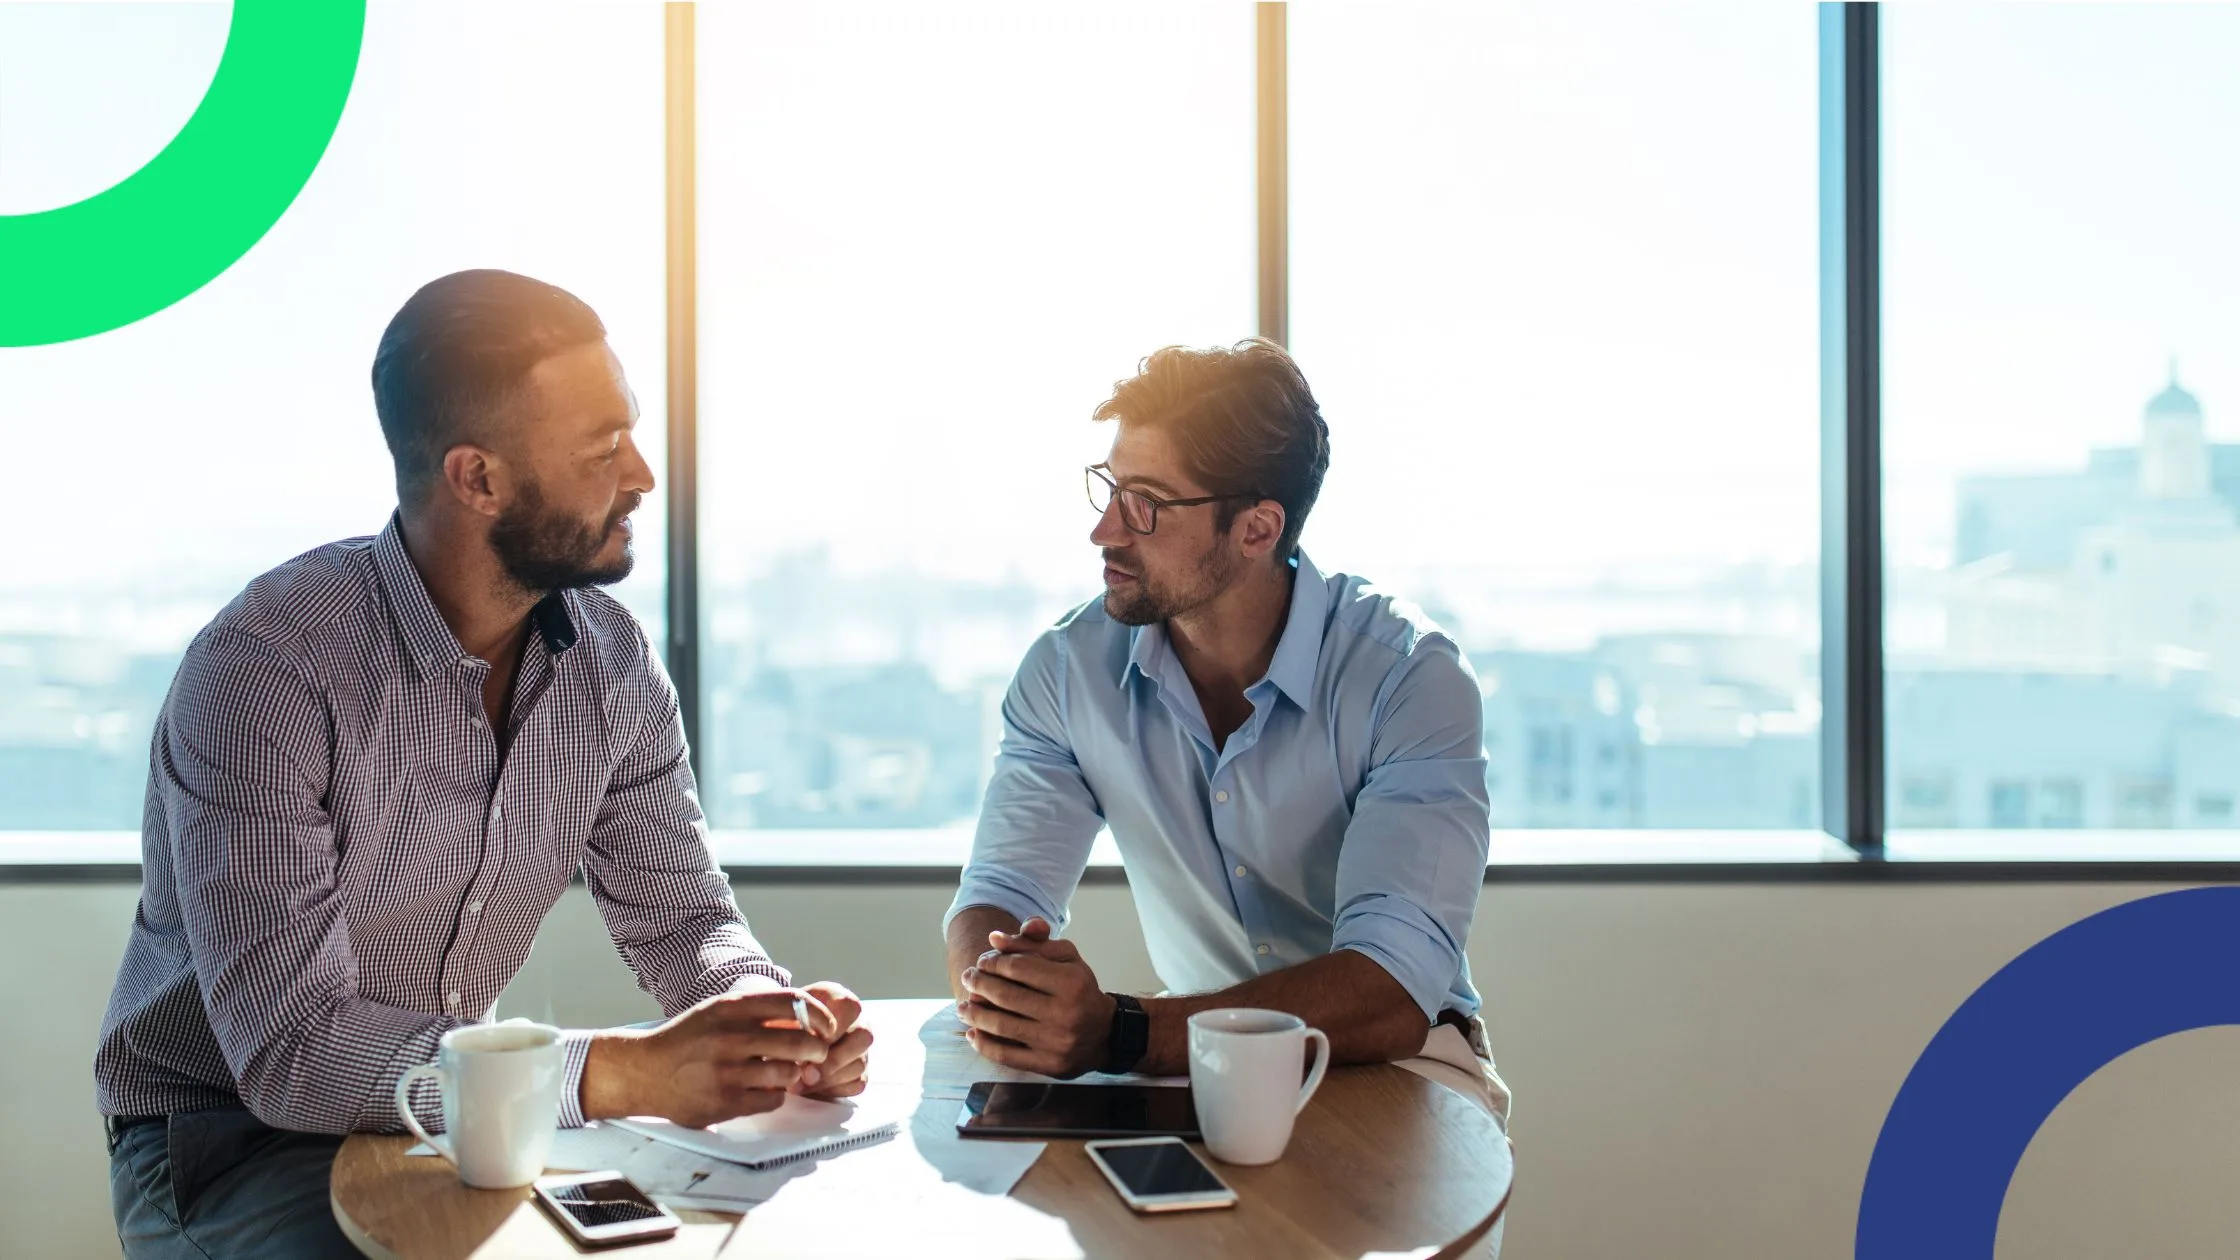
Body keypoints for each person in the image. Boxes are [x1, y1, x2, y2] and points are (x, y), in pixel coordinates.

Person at [96, 270, 872, 1259]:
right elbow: (292, 1056)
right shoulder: (267, 670)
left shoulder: (612, 666)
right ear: (478, 479)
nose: (641, 473)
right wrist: (622, 1072)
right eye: (602, 449)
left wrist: (768, 1021)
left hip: (470, 1113)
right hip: (226, 1142)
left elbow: (684, 921)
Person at [944, 339, 1511, 1126]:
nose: (1106, 530)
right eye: (1109, 488)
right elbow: (998, 897)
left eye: (1145, 502)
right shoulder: (1067, 671)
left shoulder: (1409, 678)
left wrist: (1122, 1032)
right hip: (1191, 1058)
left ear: (1256, 529)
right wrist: (1011, 996)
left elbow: (1390, 988)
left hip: (1402, 1061)